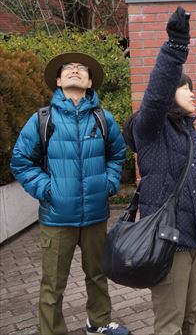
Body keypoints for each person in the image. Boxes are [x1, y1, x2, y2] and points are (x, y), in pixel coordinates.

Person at [124, 7, 196, 334]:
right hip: (169, 241)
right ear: (171, 93)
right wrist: (176, 47)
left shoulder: (191, 134)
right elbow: (154, 95)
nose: (194, 94)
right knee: (170, 321)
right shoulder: (150, 129)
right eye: (187, 89)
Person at [11, 52, 129, 335]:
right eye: (68, 69)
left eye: (81, 69)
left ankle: (98, 323)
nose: (75, 71)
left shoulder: (103, 119)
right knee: (53, 282)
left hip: (95, 216)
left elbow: (118, 154)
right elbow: (20, 161)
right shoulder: (42, 119)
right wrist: (48, 189)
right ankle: (51, 330)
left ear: (89, 83)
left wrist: (109, 183)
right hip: (56, 217)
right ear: (58, 80)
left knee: (98, 275)